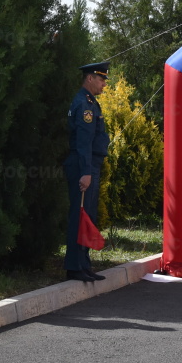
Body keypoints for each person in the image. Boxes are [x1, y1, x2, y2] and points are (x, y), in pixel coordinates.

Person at [64, 62, 110, 282]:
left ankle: (84, 263)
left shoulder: (91, 102)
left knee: (88, 215)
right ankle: (74, 266)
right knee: (79, 215)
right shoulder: (84, 104)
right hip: (85, 165)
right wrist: (85, 172)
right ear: (90, 79)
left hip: (90, 165)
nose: (103, 85)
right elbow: (83, 141)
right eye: (101, 80)